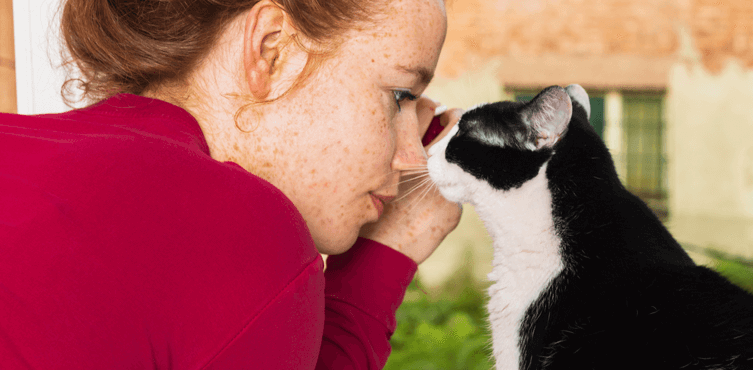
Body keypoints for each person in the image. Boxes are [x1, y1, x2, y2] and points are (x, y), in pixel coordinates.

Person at [0, 0, 462, 368]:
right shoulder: (240, 226)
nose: (412, 157)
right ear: (272, 50)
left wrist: (387, 247)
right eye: (400, 96)